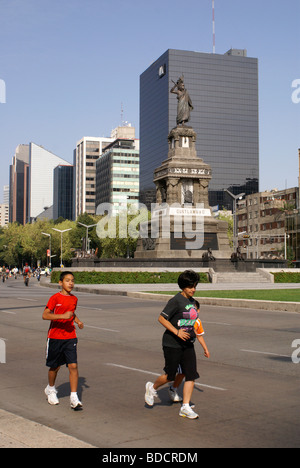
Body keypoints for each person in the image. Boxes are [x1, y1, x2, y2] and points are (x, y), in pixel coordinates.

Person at [145, 270, 210, 419]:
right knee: (170, 376)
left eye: (194, 286)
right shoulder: (176, 300)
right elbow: (161, 318)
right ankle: (152, 387)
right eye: (190, 287)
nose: (193, 289)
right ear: (183, 286)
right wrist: (177, 332)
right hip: (172, 343)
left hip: (187, 344)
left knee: (191, 374)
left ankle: (185, 407)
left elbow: (191, 321)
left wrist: (196, 337)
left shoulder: (192, 302)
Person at [42, 271, 84, 410]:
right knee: (55, 366)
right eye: (67, 280)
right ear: (60, 283)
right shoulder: (54, 298)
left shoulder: (74, 299)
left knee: (73, 366)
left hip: (70, 336)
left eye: (72, 280)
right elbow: (45, 315)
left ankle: (74, 397)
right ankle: (51, 389)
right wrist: (62, 316)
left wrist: (77, 321)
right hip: (55, 337)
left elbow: (71, 313)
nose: (70, 283)